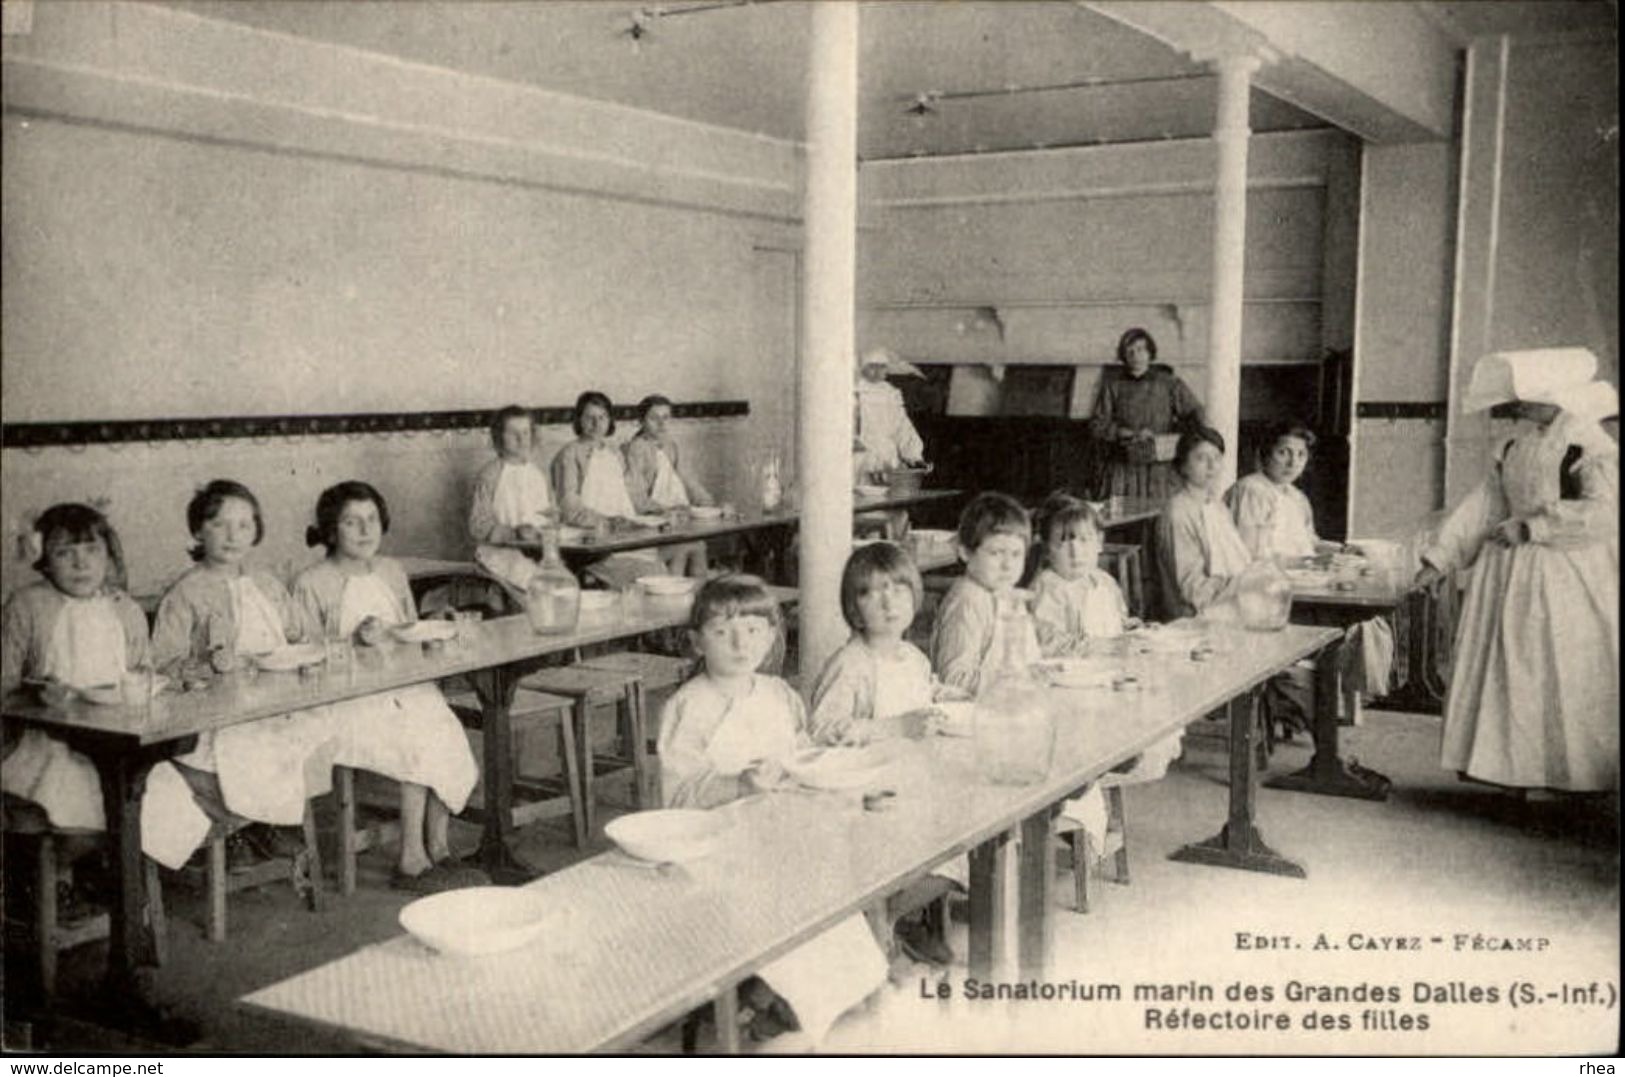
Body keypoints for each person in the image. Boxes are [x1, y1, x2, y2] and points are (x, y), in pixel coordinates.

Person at [657, 575, 888, 1045]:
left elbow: (801, 757)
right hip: (719, 846)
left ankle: (801, 997)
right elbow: (676, 798)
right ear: (696, 642)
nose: (741, 643)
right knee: (786, 893)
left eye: (754, 630)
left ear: (772, 635)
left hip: (784, 830)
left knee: (833, 884)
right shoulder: (689, 706)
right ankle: (782, 1001)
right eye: (722, 633)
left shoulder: (778, 694)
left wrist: (833, 770)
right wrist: (735, 783)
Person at [1417, 348, 1618, 793]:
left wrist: (1535, 526)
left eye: (1526, 395)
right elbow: (1486, 504)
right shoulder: (1515, 444)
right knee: (1514, 669)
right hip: (1508, 572)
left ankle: (1572, 777)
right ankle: (1522, 776)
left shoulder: (1588, 442)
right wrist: (1441, 557)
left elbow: (1605, 513)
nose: (1517, 404)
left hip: (1565, 572)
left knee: (1559, 667)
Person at [292, 482, 484, 892]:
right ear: (330, 530)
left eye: (372, 520)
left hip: (401, 686)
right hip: (345, 700)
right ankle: (411, 859)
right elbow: (303, 657)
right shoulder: (312, 582)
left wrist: (441, 623)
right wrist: (353, 642)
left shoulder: (392, 571)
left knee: (443, 728)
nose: (364, 530)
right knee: (413, 738)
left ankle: (440, 848)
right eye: (351, 522)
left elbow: (408, 630)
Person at [1, 503, 211, 871]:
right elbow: (5, 684)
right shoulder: (26, 606)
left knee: (158, 792)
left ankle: (118, 882)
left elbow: (143, 673)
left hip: (120, 741)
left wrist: (167, 685)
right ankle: (61, 878)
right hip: (47, 742)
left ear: (108, 556)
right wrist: (37, 694)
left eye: (92, 551)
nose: (81, 565)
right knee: (78, 793)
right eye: (65, 553)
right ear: (45, 561)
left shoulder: (124, 608)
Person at [151, 481, 341, 847]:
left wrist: (305, 653)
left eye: (244, 525)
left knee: (319, 729)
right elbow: (163, 665)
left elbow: (304, 635)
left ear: (256, 531)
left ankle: (266, 824)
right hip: (219, 713)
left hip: (278, 703)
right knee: (246, 747)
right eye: (219, 524)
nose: (232, 535)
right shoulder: (185, 593)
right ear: (197, 530)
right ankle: (251, 827)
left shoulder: (267, 584)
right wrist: (204, 665)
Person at [808, 543, 963, 968]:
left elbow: (921, 694)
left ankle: (893, 916)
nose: (888, 600)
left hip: (912, 781)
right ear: (854, 610)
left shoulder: (912, 656)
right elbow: (823, 733)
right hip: (866, 795)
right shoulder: (851, 663)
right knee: (937, 846)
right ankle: (878, 923)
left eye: (898, 588)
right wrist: (898, 727)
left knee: (970, 836)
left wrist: (943, 697)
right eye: (872, 592)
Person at [1228, 421, 1395, 721]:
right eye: (1284, 452)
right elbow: (1252, 557)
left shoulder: (1295, 497)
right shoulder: (1251, 490)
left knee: (1366, 624)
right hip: (1263, 596)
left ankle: (1335, 707)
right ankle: (1321, 709)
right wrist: (1308, 564)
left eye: (1301, 455)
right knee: (1348, 628)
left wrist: (1343, 551)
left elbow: (1311, 542)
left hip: (1300, 587)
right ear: (1265, 453)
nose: (1293, 462)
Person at [1030, 494, 1181, 786]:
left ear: (1100, 542)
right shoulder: (1048, 588)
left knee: (1158, 712)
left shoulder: (1103, 582)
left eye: (1085, 541)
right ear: (1047, 549)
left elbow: (1116, 622)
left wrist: (1132, 629)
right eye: (1064, 542)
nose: (1076, 552)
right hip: (1070, 689)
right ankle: (1091, 787)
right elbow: (1049, 646)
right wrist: (1106, 646)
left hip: (1108, 676)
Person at [549, 390, 664, 590]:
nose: (596, 424)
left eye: (602, 417)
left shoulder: (615, 453)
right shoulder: (569, 455)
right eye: (589, 417)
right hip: (590, 541)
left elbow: (634, 493)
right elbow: (568, 504)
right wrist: (605, 521)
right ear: (578, 420)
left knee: (659, 570)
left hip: (622, 536)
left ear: (609, 420)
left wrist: (661, 511)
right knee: (648, 576)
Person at [1089, 328, 1206, 500]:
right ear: (1124, 356)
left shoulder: (1169, 383)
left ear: (1150, 353)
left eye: (1140, 349)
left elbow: (1195, 414)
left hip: (1160, 468)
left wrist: (1179, 440)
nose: (1136, 355)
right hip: (1125, 467)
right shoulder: (1112, 386)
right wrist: (1131, 434)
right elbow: (1097, 426)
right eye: (1130, 351)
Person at [1153, 426, 1253, 621]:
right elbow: (1192, 590)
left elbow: (1237, 561)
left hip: (1229, 603)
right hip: (1194, 616)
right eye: (1201, 458)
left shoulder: (1216, 505)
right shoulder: (1178, 511)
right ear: (1182, 466)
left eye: (1217, 458)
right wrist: (1241, 587)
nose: (1212, 466)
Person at [468, 405, 557, 595]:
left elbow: (551, 515)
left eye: (525, 432)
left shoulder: (538, 474)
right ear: (499, 436)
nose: (521, 438)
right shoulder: (490, 475)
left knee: (561, 582)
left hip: (537, 552)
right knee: (535, 583)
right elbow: (477, 525)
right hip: (500, 553)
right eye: (513, 433)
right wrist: (514, 533)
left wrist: (547, 532)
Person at [623, 394, 711, 579]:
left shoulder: (671, 446)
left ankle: (696, 594)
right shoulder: (635, 448)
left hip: (673, 518)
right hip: (649, 522)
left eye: (666, 418)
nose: (661, 424)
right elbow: (635, 495)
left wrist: (708, 503)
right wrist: (662, 510)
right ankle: (673, 592)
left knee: (698, 544)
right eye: (654, 418)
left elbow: (688, 480)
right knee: (685, 546)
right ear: (641, 421)